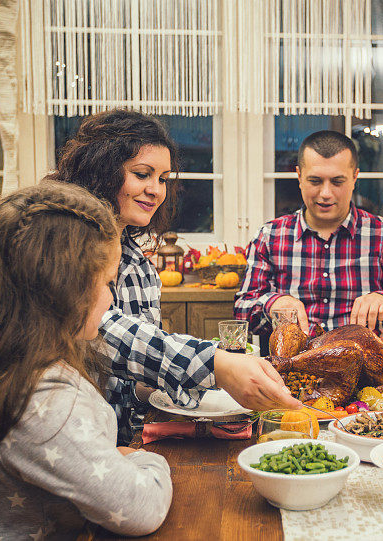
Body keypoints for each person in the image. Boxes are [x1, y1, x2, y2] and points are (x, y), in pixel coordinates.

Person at [0, 183, 173, 538]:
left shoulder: (5, 364)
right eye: (107, 283)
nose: (110, 299)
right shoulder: (40, 403)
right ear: (64, 292)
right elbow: (141, 509)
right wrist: (144, 459)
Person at [50, 109, 300, 445]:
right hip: (62, 442)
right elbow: (103, 332)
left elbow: (132, 368)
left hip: (113, 443)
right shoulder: (58, 241)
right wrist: (216, 364)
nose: (156, 190)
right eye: (142, 174)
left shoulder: (139, 263)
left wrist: (167, 383)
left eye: (163, 178)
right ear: (100, 171)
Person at [234, 130, 383, 338]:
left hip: (364, 365)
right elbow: (241, 311)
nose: (326, 193)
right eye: (315, 181)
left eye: (337, 182)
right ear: (299, 177)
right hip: (290, 365)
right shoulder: (269, 236)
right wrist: (273, 303)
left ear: (355, 177)